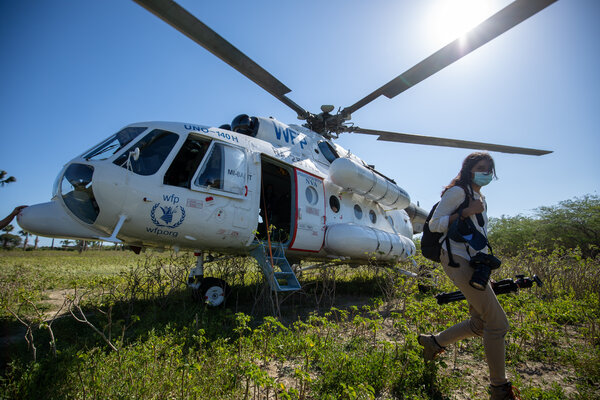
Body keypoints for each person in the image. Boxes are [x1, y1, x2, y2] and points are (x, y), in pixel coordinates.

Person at [418, 152, 519, 400]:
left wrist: (484, 273)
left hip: (474, 263)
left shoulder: (479, 196)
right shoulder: (458, 193)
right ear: (468, 170)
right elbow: (434, 224)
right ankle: (499, 389)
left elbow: (477, 237)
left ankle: (434, 343)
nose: (485, 173)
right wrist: (464, 212)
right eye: (480, 168)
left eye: (489, 169)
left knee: (480, 324)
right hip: (456, 260)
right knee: (497, 324)